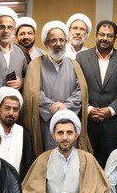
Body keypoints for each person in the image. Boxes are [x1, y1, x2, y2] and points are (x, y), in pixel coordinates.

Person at [21, 21, 92, 154]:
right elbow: (33, 92)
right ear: (46, 43)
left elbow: (81, 91)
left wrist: (65, 106)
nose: (58, 44)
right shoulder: (35, 65)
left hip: (69, 121)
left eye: (61, 40)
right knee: (47, 156)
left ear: (66, 41)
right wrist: (53, 107)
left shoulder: (74, 65)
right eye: (53, 40)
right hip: (45, 121)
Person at [76, 20, 117, 167]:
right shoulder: (81, 58)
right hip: (88, 123)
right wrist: (89, 109)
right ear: (96, 35)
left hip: (113, 126)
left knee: (111, 166)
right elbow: (76, 87)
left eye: (109, 35)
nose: (105, 38)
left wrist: (110, 110)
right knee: (87, 164)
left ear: (115, 38)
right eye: (102, 34)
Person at [0, 87, 36, 181]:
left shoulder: (24, 133)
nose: (11, 113)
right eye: (7, 108)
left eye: (15, 109)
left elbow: (28, 164)